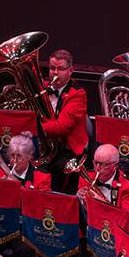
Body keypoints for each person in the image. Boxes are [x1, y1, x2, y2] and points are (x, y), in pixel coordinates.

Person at [42, 49, 89, 192]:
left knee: (57, 169)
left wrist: (36, 127)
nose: (55, 73)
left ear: (70, 70)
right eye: (52, 68)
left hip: (68, 148)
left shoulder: (78, 94)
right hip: (44, 144)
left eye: (60, 69)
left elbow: (62, 127)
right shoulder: (42, 87)